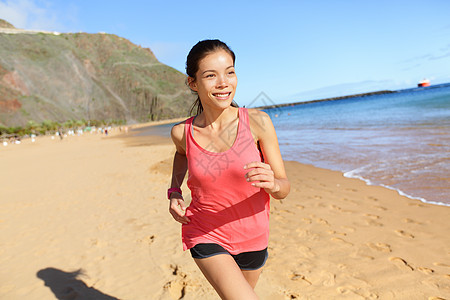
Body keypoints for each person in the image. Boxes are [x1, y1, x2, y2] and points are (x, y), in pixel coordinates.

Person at [168, 39, 290, 299]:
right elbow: (181, 155)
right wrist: (174, 191)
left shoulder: (258, 122)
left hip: (253, 237)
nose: (223, 83)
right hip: (204, 231)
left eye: (230, 72)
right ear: (193, 83)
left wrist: (274, 184)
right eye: (211, 75)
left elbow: (283, 188)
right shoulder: (182, 132)